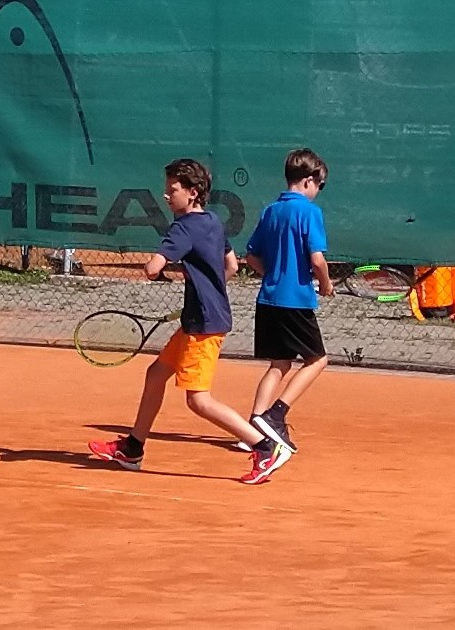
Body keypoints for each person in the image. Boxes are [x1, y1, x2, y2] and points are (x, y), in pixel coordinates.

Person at [88, 158, 290, 485]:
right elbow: (230, 266)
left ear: (192, 192)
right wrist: (205, 291)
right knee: (156, 374)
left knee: (198, 400)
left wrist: (161, 273)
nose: (166, 196)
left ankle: (265, 446)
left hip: (204, 326)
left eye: (173, 190)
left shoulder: (182, 228)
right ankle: (133, 448)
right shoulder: (213, 221)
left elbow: (152, 268)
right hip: (202, 318)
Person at [236, 148, 334, 459]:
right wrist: (325, 284)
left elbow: (251, 256)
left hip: (268, 299)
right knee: (317, 360)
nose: (318, 191)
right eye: (320, 185)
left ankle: (253, 431)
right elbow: (317, 260)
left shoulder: (271, 211)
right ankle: (275, 415)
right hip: (295, 302)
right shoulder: (309, 212)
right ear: (308, 180)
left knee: (279, 364)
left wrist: (275, 275)